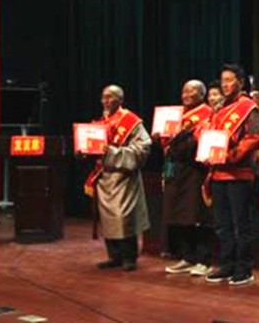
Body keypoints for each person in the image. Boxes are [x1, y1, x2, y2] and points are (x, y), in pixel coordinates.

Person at [202, 64, 259, 286]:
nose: (225, 85)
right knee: (222, 225)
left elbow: (253, 137)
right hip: (218, 173)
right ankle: (226, 265)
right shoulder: (220, 108)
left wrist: (232, 155)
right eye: (223, 81)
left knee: (241, 225)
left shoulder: (248, 107)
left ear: (241, 82)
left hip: (239, 174)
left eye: (229, 80)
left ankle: (244, 268)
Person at [85, 85, 152, 272]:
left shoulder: (131, 121)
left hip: (123, 176)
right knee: (108, 219)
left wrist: (113, 153)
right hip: (104, 177)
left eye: (110, 97)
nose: (106, 101)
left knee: (124, 217)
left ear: (120, 100)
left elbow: (143, 147)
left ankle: (129, 257)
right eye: (103, 97)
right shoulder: (101, 122)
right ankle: (114, 256)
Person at [159, 80, 215, 277]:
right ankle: (187, 257)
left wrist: (176, 145)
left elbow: (198, 143)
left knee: (197, 216)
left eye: (192, 91)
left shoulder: (207, 113)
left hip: (195, 171)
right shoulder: (176, 114)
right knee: (179, 215)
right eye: (184, 91)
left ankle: (204, 260)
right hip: (176, 170)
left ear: (202, 94)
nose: (187, 94)